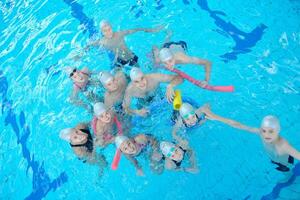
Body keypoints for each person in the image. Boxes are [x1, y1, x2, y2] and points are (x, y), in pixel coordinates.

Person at [85, 20, 163, 69]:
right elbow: (90, 44)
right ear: (102, 32)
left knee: (138, 70)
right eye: (105, 31)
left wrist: (151, 30)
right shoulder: (102, 41)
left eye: (109, 29)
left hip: (131, 57)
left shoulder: (119, 34)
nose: (108, 32)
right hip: (119, 61)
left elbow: (136, 29)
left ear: (112, 27)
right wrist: (84, 50)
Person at [172, 103, 258, 146]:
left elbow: (208, 104)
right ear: (183, 119)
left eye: (193, 116)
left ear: (195, 112)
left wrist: (207, 116)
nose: (192, 121)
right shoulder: (180, 123)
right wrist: (180, 140)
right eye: (188, 119)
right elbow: (174, 133)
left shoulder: (199, 112)